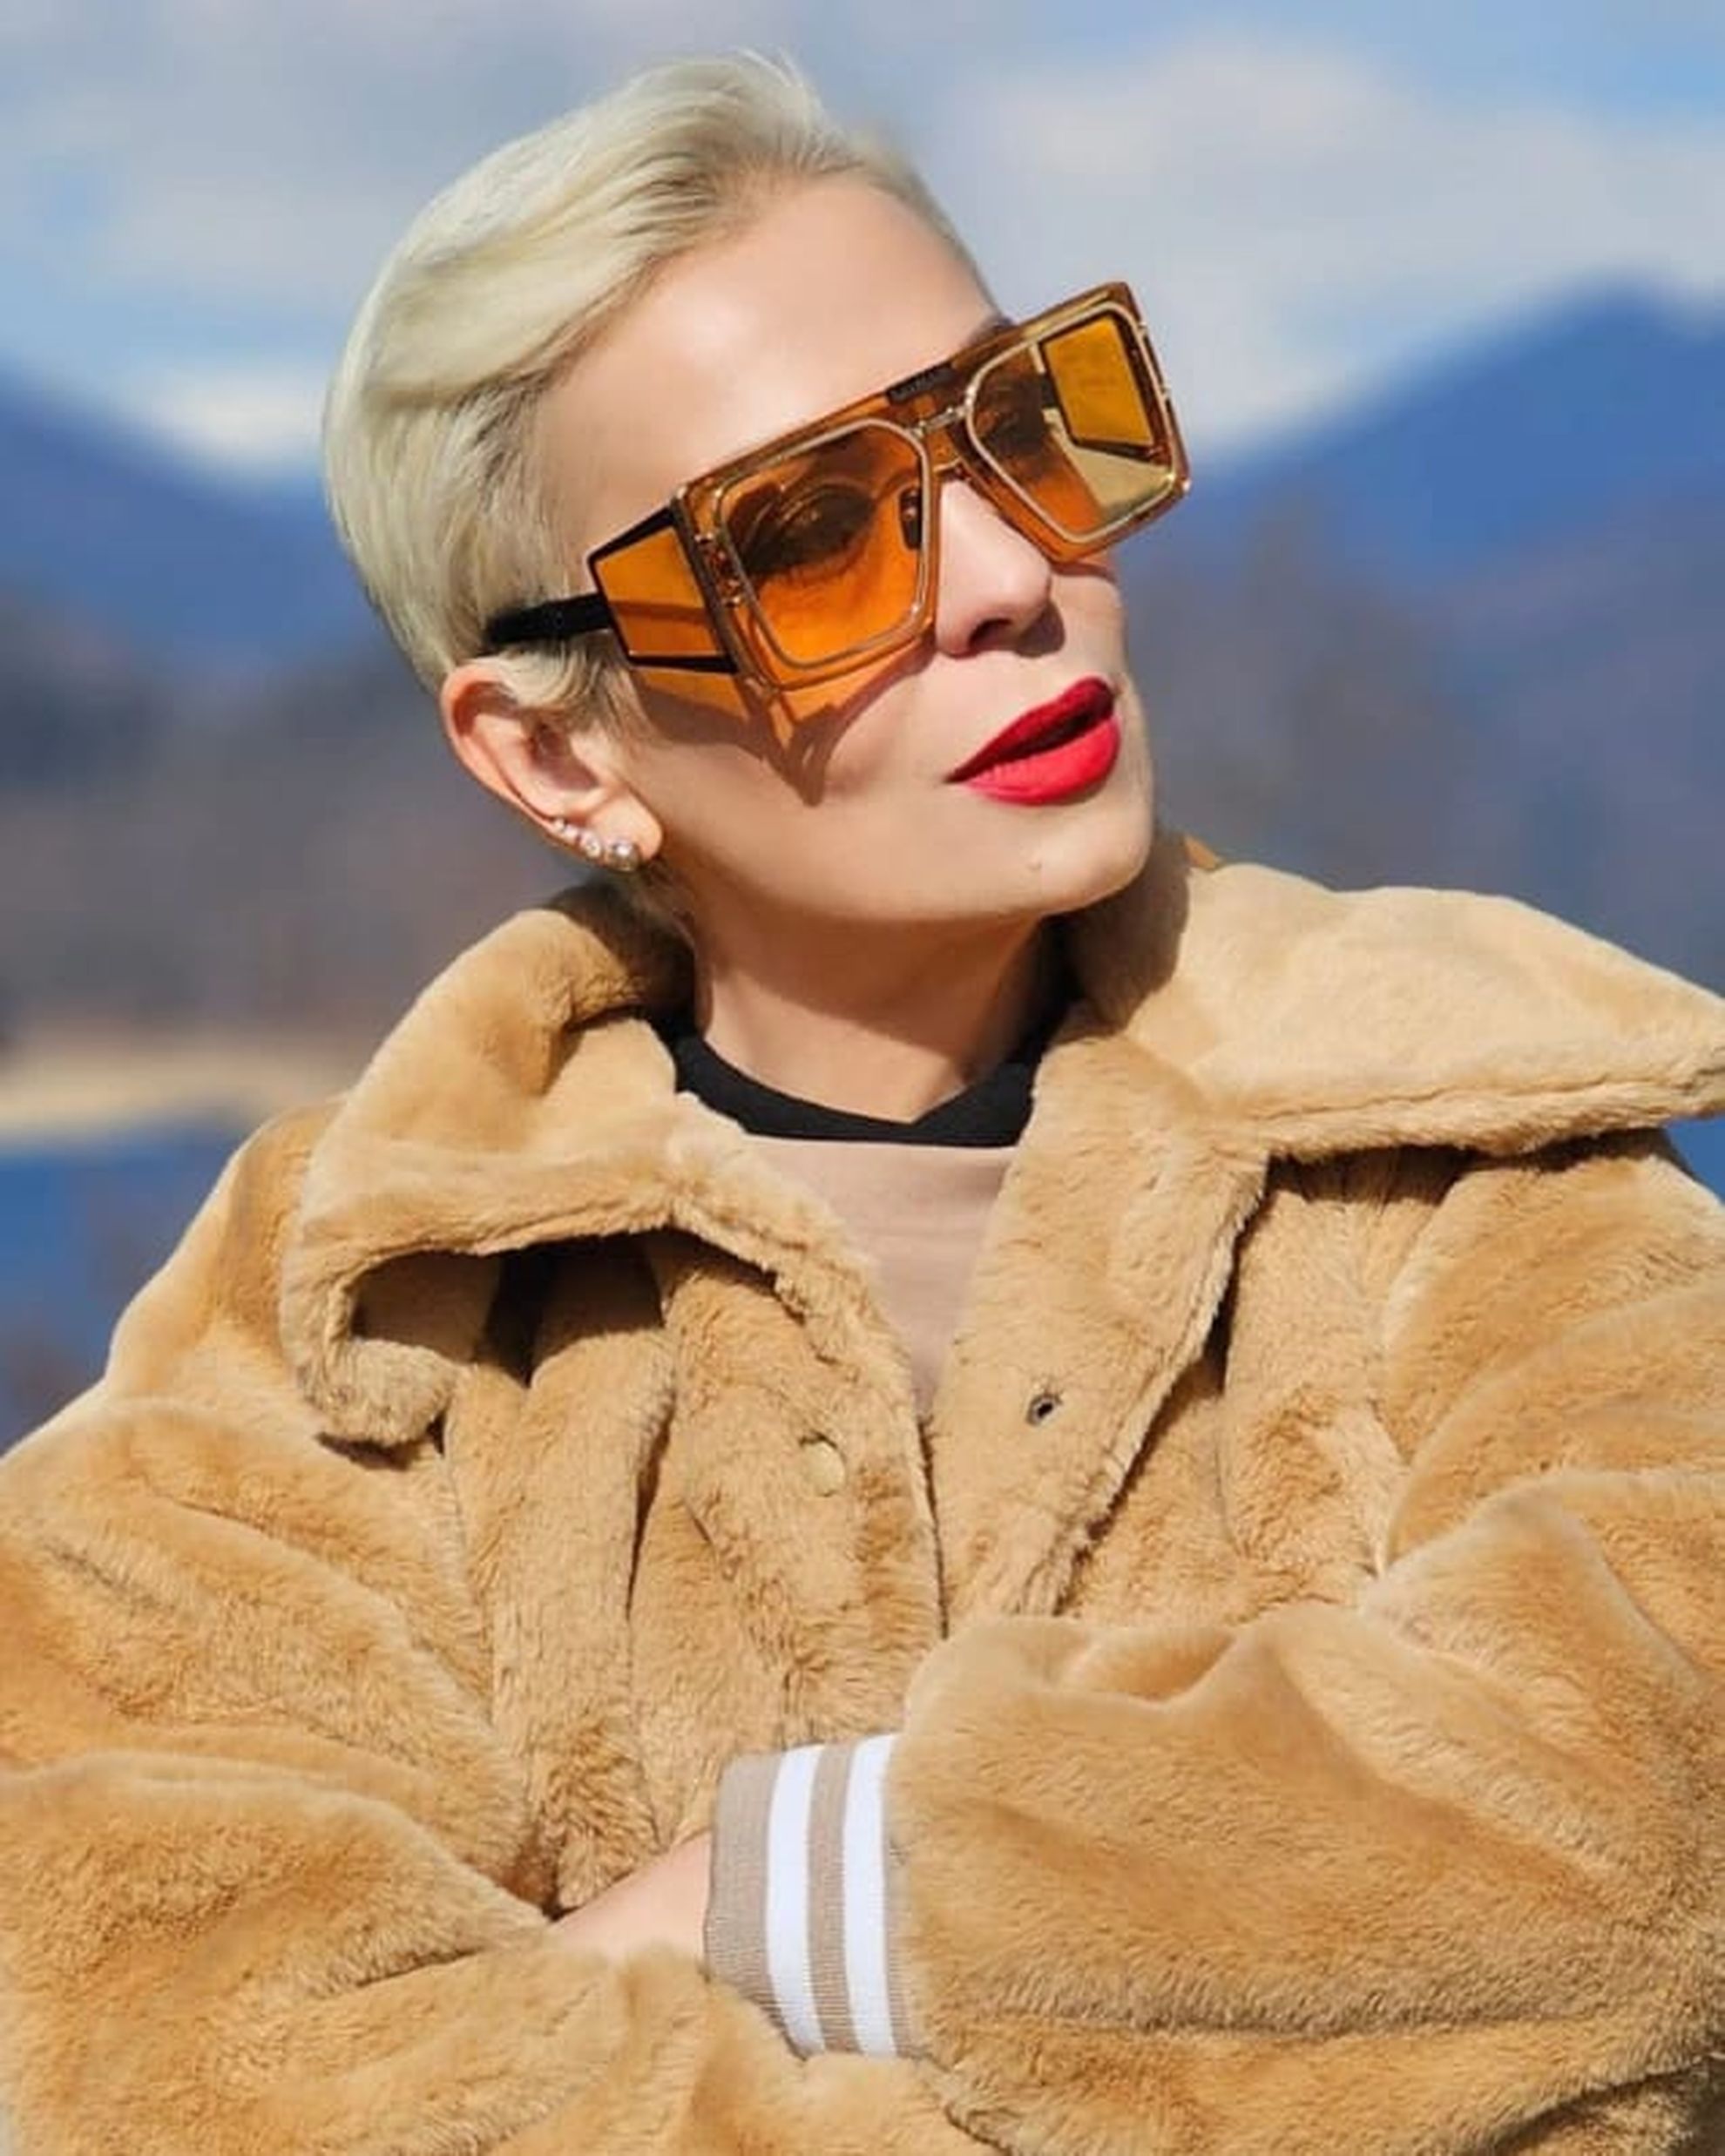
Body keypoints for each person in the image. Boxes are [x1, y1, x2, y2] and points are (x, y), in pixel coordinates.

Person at [0, 51, 1720, 2156]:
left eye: (1019, 425)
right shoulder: (345, 1333)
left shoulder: (1481, 1152)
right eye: (810, 537)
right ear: (558, 752)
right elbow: (148, 2039)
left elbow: (1649, 1824)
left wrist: (791, 1896)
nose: (1006, 575)